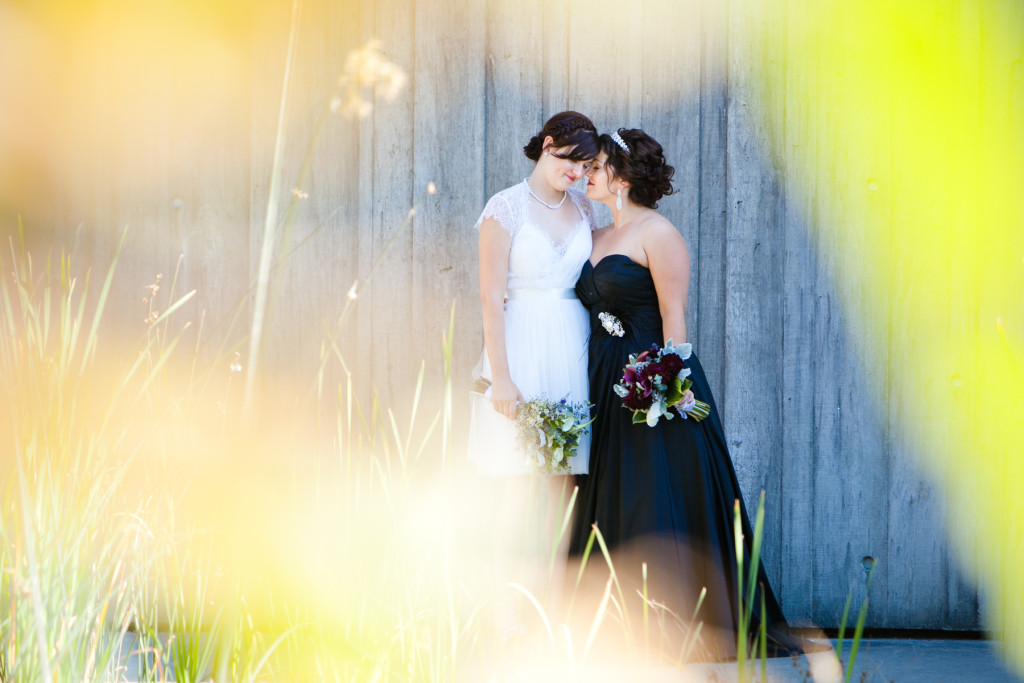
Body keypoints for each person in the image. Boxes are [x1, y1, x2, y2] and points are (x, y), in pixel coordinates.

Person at [568, 128, 804, 660]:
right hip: (602, 380)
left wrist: (666, 386)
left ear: (622, 178)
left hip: (651, 381)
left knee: (654, 495)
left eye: (598, 166)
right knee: (609, 495)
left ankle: (673, 622)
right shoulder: (595, 234)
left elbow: (675, 319)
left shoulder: (659, 233)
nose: (588, 174)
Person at [467, 111, 600, 635]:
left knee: (562, 486)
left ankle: (548, 604)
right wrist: (501, 376)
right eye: (573, 163)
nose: (579, 174)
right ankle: (503, 609)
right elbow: (488, 296)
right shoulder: (504, 208)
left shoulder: (585, 209)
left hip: (571, 346)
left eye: (588, 167)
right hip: (520, 345)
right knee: (520, 483)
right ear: (549, 145)